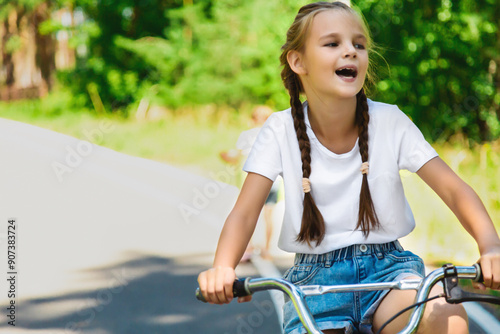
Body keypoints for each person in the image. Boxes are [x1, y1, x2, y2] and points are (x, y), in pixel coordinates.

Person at [198, 2, 500, 333]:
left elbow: (454, 190)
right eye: (332, 43)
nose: (350, 52)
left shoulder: (389, 122)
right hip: (314, 284)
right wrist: (223, 268)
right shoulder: (279, 130)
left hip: (390, 273)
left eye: (359, 44)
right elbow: (244, 213)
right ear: (298, 61)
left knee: (446, 314)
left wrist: (491, 247)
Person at [220, 106, 281, 261]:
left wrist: (225, 156)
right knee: (268, 216)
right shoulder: (277, 134)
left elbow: (235, 156)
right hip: (274, 181)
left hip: (252, 182)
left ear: (252, 119)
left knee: (248, 214)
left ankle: (249, 248)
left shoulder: (247, 135)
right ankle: (267, 250)